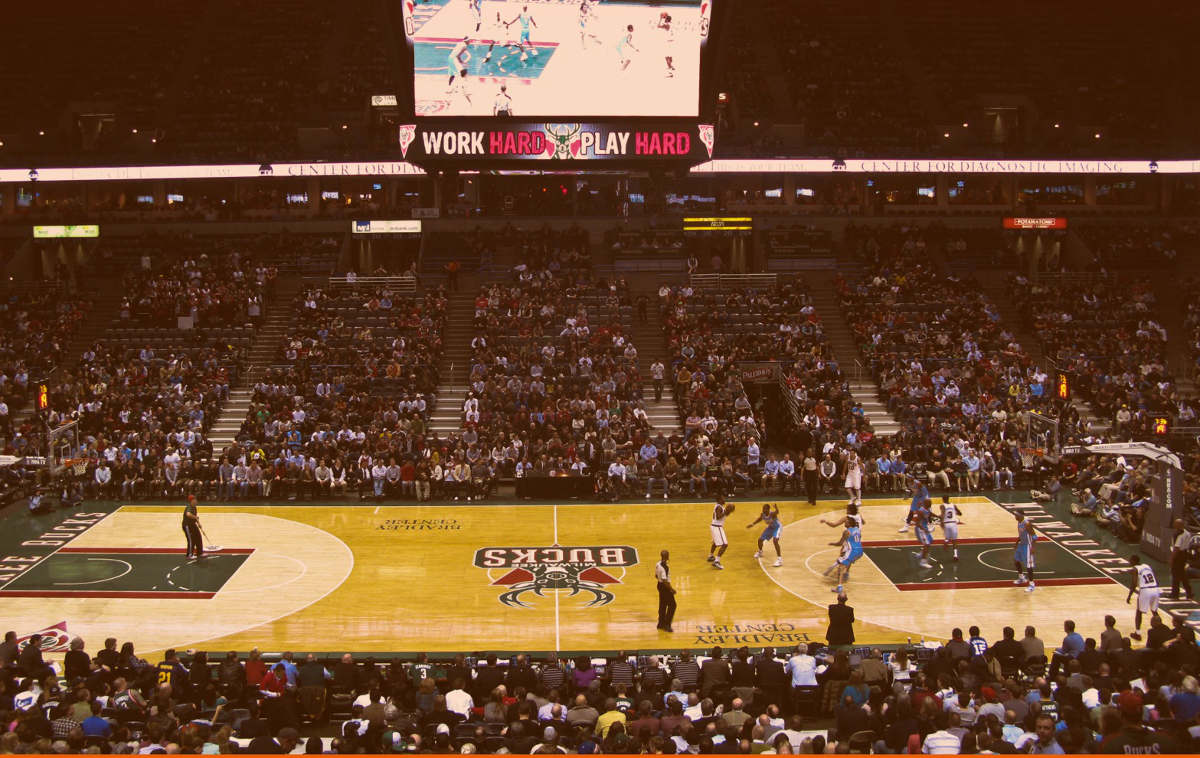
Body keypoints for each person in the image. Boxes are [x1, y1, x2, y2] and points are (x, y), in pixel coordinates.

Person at [1126, 554, 1160, 641]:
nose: (1129, 562)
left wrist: (1129, 596)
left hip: (1145, 591)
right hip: (1155, 588)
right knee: (1154, 611)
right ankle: (1160, 629)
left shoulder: (1135, 569)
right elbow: (1155, 579)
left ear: (1133, 561)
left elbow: (1133, 584)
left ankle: (1137, 633)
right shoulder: (1147, 566)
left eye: (1130, 560)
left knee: (1139, 612)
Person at [829, 516, 863, 594]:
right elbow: (857, 540)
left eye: (846, 522)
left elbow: (840, 543)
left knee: (840, 567)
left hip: (853, 551)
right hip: (860, 551)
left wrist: (832, 543)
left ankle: (839, 587)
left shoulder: (846, 532)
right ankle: (846, 573)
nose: (844, 522)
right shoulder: (858, 530)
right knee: (846, 563)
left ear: (850, 523)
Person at [1169, 517, 1195, 600]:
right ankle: (1189, 592)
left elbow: (1176, 548)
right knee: (1182, 575)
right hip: (1184, 554)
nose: (1174, 525)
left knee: (1175, 575)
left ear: (1179, 525)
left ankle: (1175, 594)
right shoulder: (1187, 533)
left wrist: (1171, 559)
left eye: (1175, 524)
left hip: (1179, 555)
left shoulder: (1180, 535)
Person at [707, 497, 734, 569]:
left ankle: (711, 556)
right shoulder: (719, 507)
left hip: (714, 526)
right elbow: (718, 517)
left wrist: (728, 511)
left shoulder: (719, 506)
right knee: (725, 544)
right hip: (717, 527)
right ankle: (717, 561)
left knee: (715, 543)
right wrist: (726, 511)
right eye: (722, 499)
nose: (724, 500)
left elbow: (723, 515)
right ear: (719, 500)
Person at [1013, 513, 1036, 592]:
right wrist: (1016, 542)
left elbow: (1034, 536)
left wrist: (1032, 547)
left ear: (1021, 515)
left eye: (1016, 515)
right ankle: (1022, 577)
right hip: (1021, 545)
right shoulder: (1019, 523)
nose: (1015, 516)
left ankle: (1032, 584)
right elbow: (1021, 534)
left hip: (1027, 546)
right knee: (1016, 561)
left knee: (1029, 566)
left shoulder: (1027, 524)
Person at [655, 550, 676, 632]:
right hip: (665, 587)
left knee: (663, 604)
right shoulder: (665, 568)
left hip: (659, 585)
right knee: (673, 605)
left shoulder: (657, 564)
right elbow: (664, 580)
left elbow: (656, 575)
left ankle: (660, 623)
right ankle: (667, 624)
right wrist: (671, 589)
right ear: (667, 556)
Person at [939, 495, 963, 561]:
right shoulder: (953, 505)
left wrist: (941, 522)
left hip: (947, 523)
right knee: (954, 540)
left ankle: (946, 542)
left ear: (943, 499)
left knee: (947, 538)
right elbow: (960, 513)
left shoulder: (942, 506)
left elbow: (943, 514)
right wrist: (955, 513)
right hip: (953, 523)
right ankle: (955, 555)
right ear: (949, 499)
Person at [913, 499, 934, 569]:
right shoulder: (921, 511)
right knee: (927, 544)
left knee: (931, 540)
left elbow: (930, 513)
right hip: (921, 529)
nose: (931, 504)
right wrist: (924, 530)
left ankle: (921, 554)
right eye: (929, 503)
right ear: (926, 503)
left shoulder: (927, 509)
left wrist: (938, 516)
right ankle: (923, 562)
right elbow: (917, 523)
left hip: (925, 528)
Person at [183, 494, 204, 561]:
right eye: (195, 499)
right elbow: (188, 514)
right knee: (191, 540)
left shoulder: (194, 507)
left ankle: (199, 553)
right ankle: (189, 555)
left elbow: (195, 517)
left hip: (193, 524)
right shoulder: (189, 507)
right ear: (191, 501)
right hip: (187, 525)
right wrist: (195, 517)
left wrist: (199, 524)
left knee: (198, 537)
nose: (196, 501)